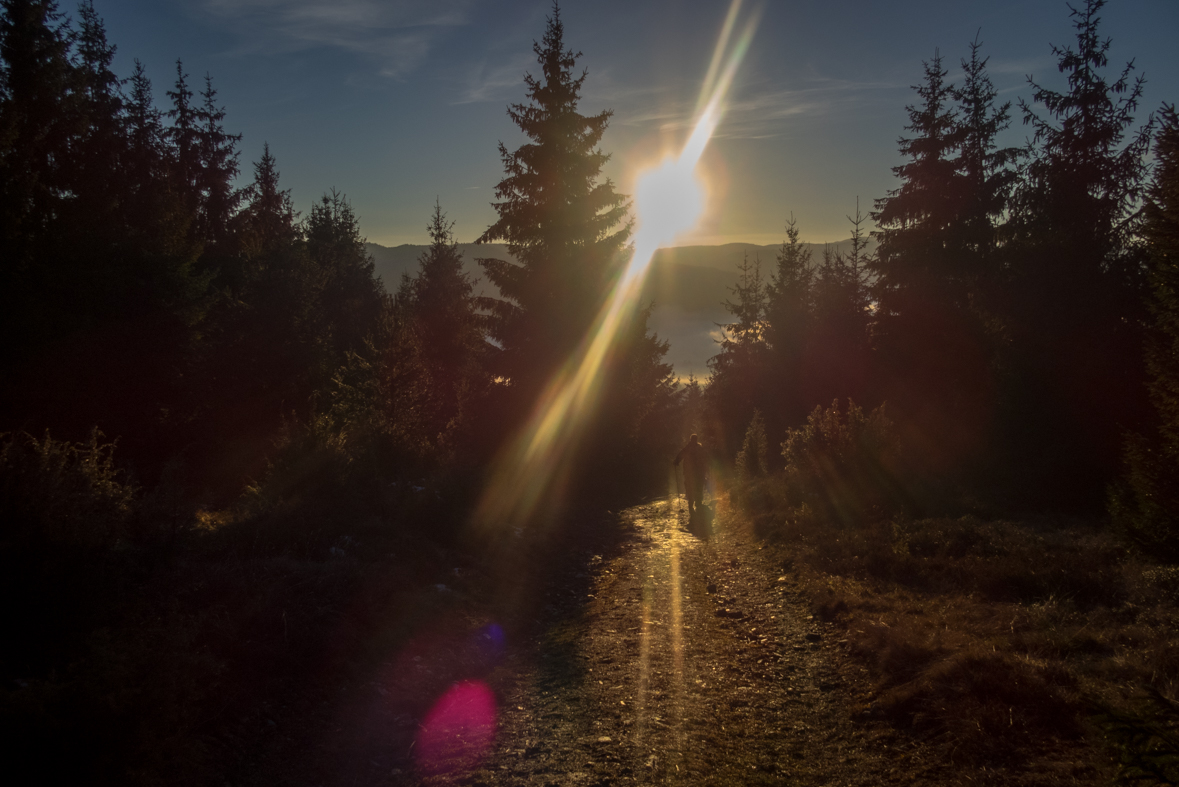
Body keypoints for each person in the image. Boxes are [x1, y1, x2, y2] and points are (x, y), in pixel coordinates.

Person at [673, 434, 708, 514]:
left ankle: (691, 503)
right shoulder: (700, 448)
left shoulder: (687, 448)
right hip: (699, 473)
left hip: (689, 473)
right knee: (698, 487)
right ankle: (698, 502)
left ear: (691, 439)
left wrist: (676, 462)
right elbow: (705, 459)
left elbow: (680, 455)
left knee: (690, 487)